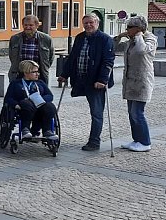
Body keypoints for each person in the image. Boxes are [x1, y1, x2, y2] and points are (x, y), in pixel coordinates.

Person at [58, 13, 115, 151]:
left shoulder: (105, 39)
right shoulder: (80, 37)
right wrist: (64, 74)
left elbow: (108, 61)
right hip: (81, 79)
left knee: (96, 113)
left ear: (97, 23)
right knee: (95, 112)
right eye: (86, 23)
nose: (88, 25)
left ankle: (94, 142)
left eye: (91, 23)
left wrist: (102, 80)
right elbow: (72, 58)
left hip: (96, 81)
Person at [115, 15, 157, 152]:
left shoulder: (149, 39)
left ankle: (145, 142)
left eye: (129, 27)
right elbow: (114, 48)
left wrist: (139, 35)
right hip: (130, 82)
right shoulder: (131, 41)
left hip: (142, 82)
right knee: (131, 113)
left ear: (138, 29)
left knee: (137, 113)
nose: (127, 30)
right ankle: (137, 140)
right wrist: (119, 37)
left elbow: (141, 51)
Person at [3, 60, 57, 140]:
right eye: (34, 72)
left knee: (50, 107)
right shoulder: (16, 84)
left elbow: (50, 95)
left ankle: (47, 130)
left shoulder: (40, 83)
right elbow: (8, 98)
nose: (37, 74)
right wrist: (15, 104)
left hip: (40, 106)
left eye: (37, 72)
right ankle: (25, 129)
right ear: (26, 72)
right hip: (24, 107)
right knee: (26, 103)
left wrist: (41, 99)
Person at [8, 15, 54, 84]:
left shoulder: (46, 39)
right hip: (19, 74)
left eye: (31, 25)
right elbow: (11, 56)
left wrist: (41, 69)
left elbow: (51, 57)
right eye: (25, 25)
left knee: (39, 94)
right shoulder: (15, 39)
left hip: (39, 75)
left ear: (37, 25)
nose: (27, 27)